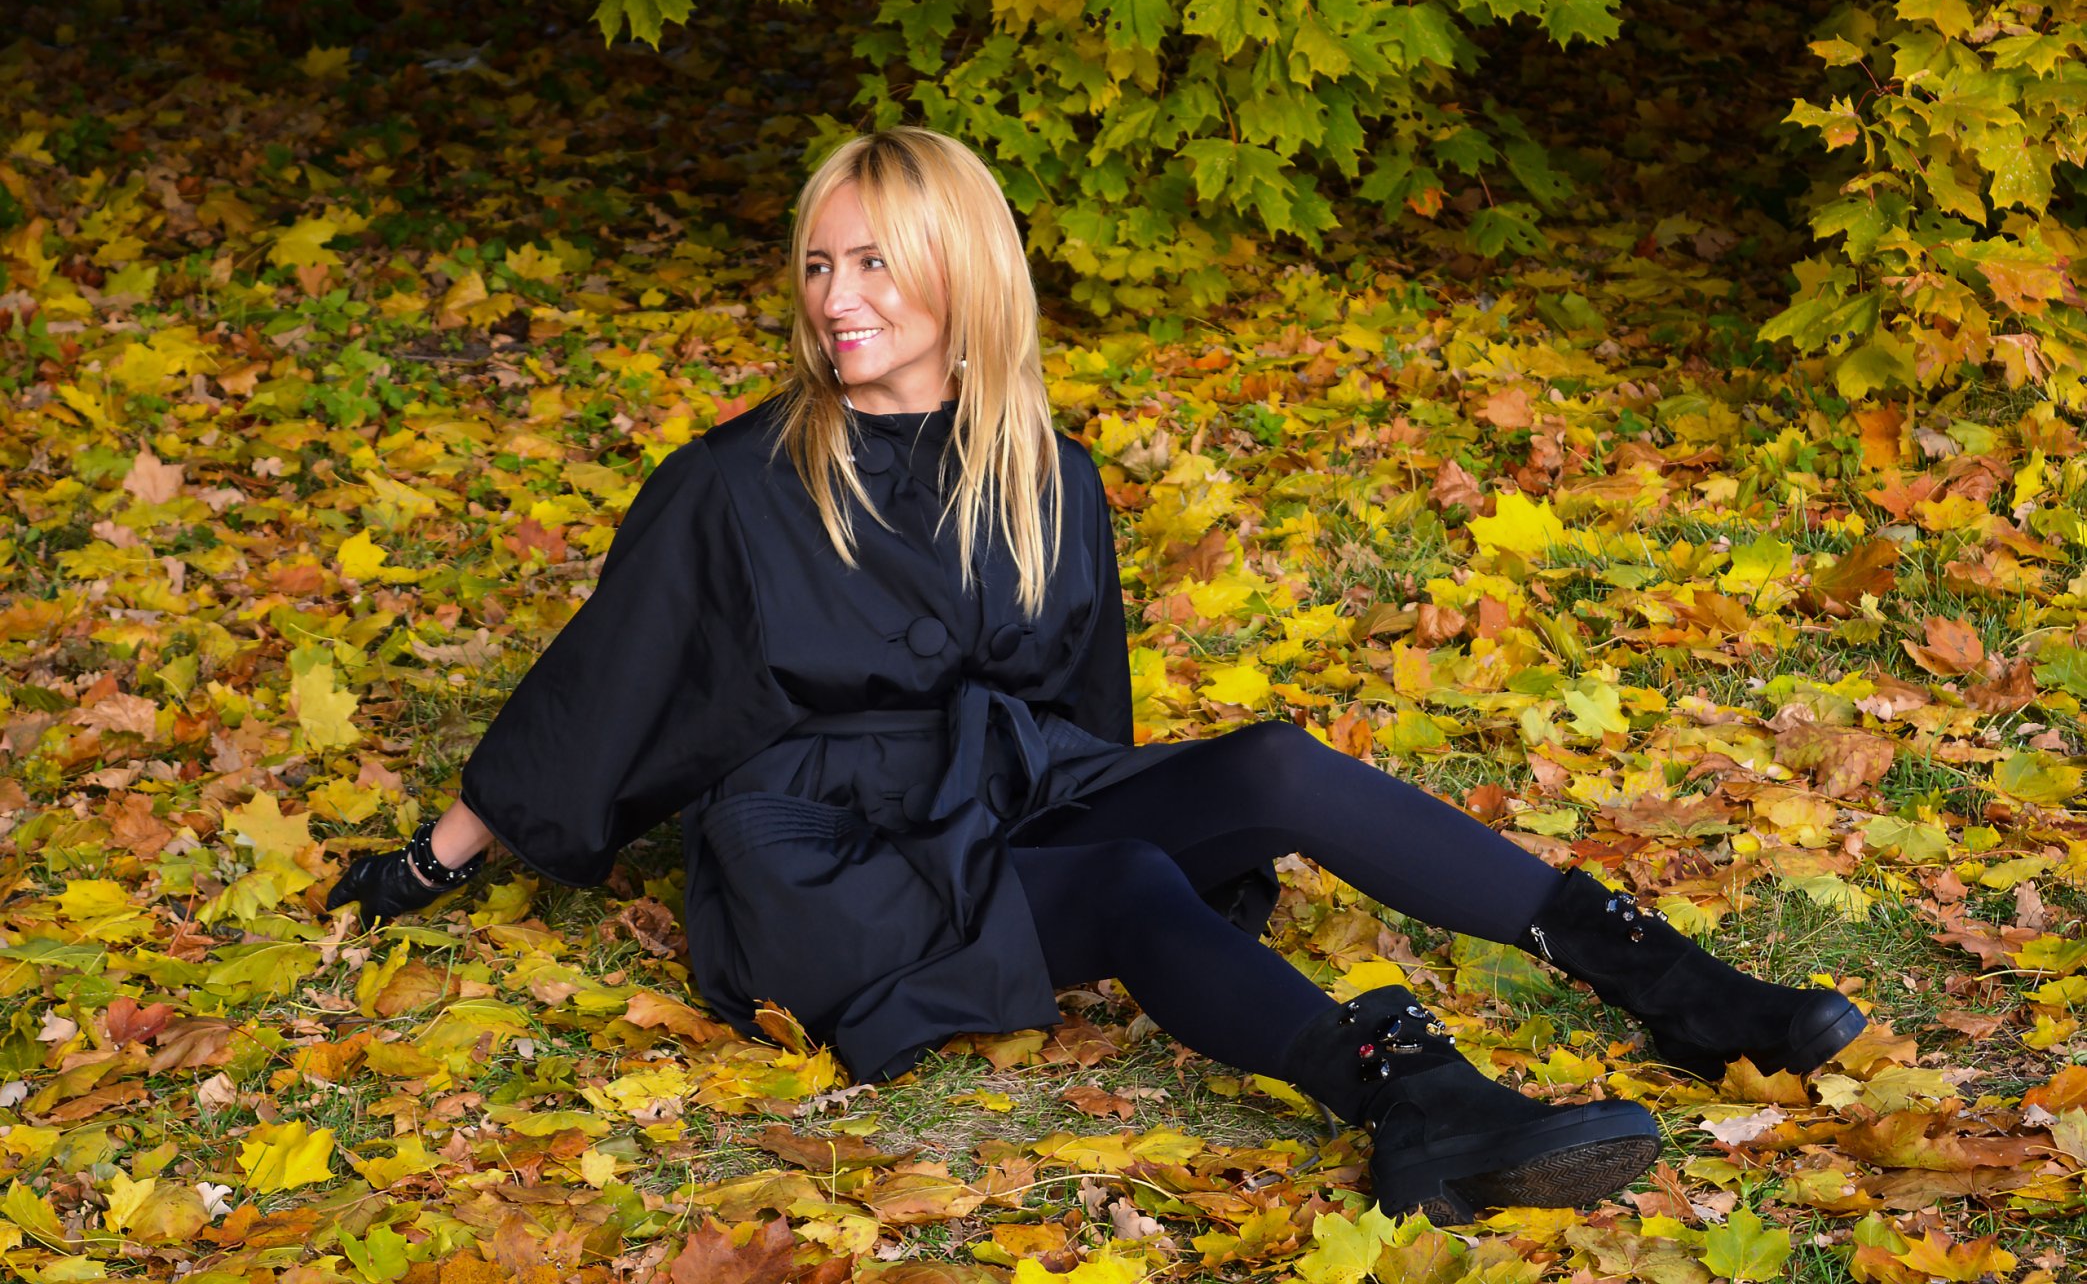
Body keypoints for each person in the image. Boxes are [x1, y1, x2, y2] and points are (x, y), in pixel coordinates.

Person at [328, 126, 1864, 1224]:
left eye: (875, 261)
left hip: (1000, 793)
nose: (837, 296)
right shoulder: (735, 483)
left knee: (1268, 765)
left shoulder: (1043, 472)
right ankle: (1417, 1108)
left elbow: (1084, 719)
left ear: (962, 272)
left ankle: (1666, 983)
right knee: (1129, 885)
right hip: (825, 865)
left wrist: (1163, 815)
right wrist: (431, 860)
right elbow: (600, 684)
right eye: (819, 264)